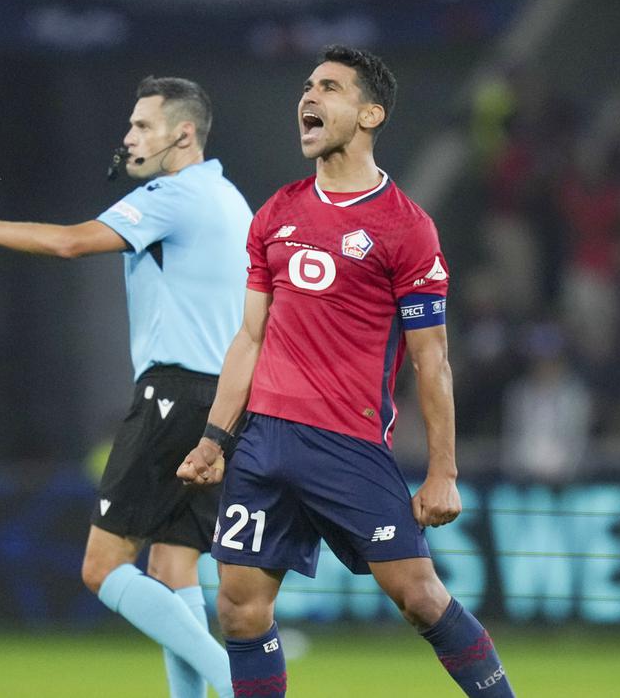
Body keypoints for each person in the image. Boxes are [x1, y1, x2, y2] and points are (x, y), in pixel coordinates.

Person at [178, 45, 515, 697]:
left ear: (369, 114)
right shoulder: (275, 214)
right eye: (306, 86)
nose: (307, 96)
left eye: (327, 87)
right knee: (239, 608)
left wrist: (443, 471)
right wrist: (214, 438)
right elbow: (249, 336)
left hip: (345, 443)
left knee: (418, 597)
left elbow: (430, 357)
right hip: (262, 441)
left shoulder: (405, 228)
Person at [0, 76, 245, 698]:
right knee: (173, 569)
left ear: (184, 133)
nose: (129, 137)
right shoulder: (230, 201)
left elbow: (68, 243)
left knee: (102, 568)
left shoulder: (174, 196)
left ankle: (245, 687)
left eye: (143, 125)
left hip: (174, 396)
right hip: (222, 404)